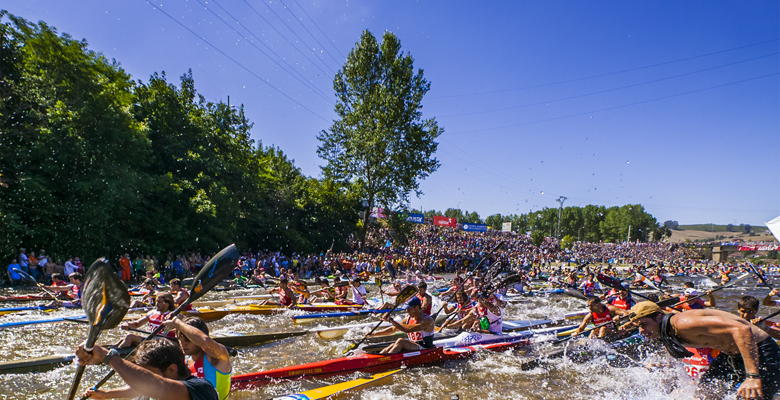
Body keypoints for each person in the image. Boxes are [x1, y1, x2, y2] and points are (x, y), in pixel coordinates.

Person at [624, 301, 779, 400]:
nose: (641, 330)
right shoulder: (665, 331)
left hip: (760, 351)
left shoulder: (684, 323)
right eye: (638, 326)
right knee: (704, 395)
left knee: (753, 395)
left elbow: (742, 328)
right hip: (730, 355)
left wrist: (752, 375)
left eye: (644, 324)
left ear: (658, 317)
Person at [77, 338, 218, 400]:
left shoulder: (201, 388)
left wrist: (107, 357)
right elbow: (139, 388)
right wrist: (106, 394)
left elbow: (157, 385)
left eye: (147, 373)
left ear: (171, 369)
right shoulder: (150, 388)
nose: (141, 378)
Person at [162, 317, 232, 400]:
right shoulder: (184, 361)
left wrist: (177, 323)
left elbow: (204, 340)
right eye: (180, 339)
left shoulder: (217, 358)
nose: (182, 344)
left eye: (187, 339)